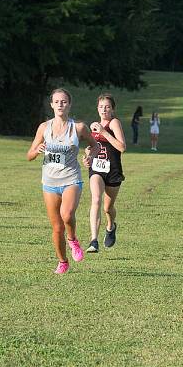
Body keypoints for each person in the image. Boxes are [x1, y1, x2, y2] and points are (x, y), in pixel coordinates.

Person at [26, 88, 99, 274]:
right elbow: (29, 155)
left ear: (69, 105)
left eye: (64, 101)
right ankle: (63, 261)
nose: (60, 104)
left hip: (71, 179)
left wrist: (90, 157)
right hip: (49, 182)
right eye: (56, 101)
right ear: (51, 105)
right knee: (57, 227)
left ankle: (73, 239)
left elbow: (95, 145)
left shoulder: (79, 128)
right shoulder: (44, 128)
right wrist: (37, 150)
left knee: (67, 215)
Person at [85, 94, 126, 254]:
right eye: (101, 107)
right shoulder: (93, 126)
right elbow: (92, 148)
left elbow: (122, 147)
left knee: (108, 208)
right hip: (97, 169)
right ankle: (93, 240)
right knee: (96, 199)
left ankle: (111, 226)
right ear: (97, 109)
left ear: (112, 109)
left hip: (113, 170)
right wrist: (87, 157)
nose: (104, 109)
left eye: (107, 106)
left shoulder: (114, 123)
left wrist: (104, 132)